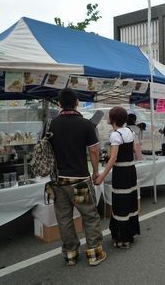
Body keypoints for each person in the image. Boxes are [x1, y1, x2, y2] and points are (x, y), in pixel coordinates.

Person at [49, 88, 106, 267]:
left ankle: (71, 255)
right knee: (89, 215)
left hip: (58, 181)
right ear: (77, 103)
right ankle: (94, 253)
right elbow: (94, 150)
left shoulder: (52, 124)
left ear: (59, 104)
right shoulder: (85, 124)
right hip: (79, 181)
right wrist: (96, 171)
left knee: (64, 218)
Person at [94, 107, 140, 249]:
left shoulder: (115, 135)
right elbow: (137, 151)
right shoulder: (130, 131)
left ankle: (122, 238)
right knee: (129, 199)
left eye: (109, 116)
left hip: (121, 172)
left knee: (120, 202)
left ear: (113, 119)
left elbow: (113, 158)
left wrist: (102, 176)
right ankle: (129, 235)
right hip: (131, 170)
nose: (107, 118)